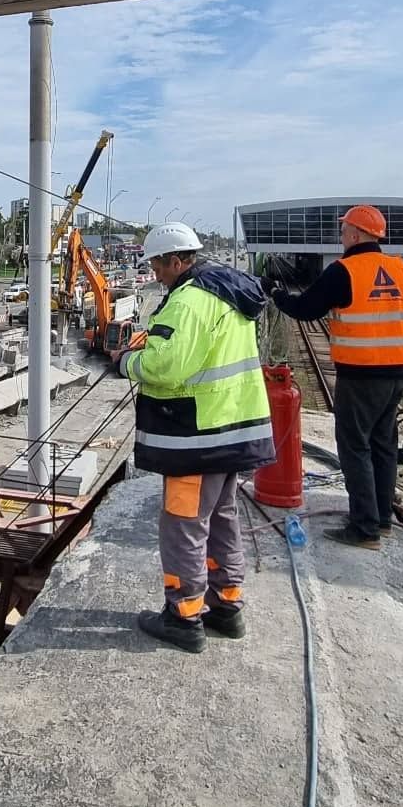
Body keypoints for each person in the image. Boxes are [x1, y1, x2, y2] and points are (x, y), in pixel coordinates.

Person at [267, 204, 403, 549]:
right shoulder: (402, 271)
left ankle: (364, 529)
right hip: (394, 376)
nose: (340, 235)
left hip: (359, 377)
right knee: (383, 446)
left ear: (355, 234)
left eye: (344, 228)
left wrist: (275, 294)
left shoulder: (343, 271)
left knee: (354, 448)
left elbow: (305, 309)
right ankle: (381, 519)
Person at [113, 222, 275, 654]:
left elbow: (166, 368)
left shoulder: (187, 302)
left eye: (157, 265)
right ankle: (226, 605)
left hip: (195, 436)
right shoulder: (226, 293)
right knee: (222, 518)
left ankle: (184, 617)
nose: (154, 273)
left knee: (183, 525)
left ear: (176, 260)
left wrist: (127, 362)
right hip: (232, 430)